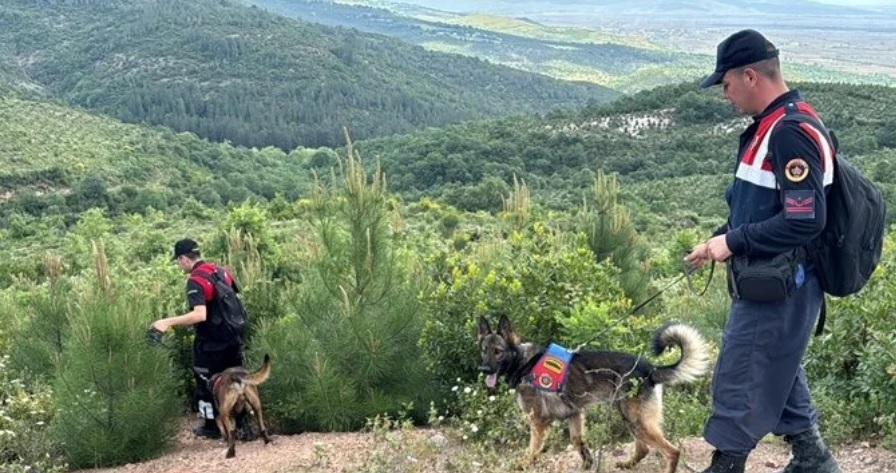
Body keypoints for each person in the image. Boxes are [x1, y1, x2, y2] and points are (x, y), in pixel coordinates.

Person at [684, 29, 841, 473]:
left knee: (741, 376)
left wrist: (733, 242)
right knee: (777, 363)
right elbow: (761, 205)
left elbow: (805, 219)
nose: (724, 94)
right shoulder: (771, 126)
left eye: (726, 84)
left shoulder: (791, 133)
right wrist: (718, 241)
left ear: (750, 75)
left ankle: (725, 466)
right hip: (767, 278)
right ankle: (812, 458)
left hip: (781, 285)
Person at [151, 238, 251, 440]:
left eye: (178, 261)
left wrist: (167, 322)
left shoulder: (195, 280)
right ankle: (244, 426)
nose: (179, 265)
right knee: (236, 380)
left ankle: (210, 426)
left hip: (211, 342)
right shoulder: (220, 271)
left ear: (183, 258)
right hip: (233, 336)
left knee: (205, 381)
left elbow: (200, 314)